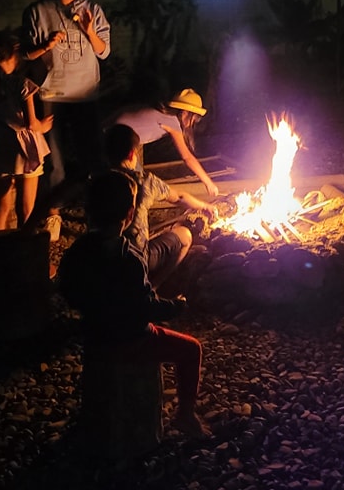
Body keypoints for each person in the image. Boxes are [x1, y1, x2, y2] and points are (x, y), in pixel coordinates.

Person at [57, 170, 211, 437]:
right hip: (131, 340)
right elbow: (145, 307)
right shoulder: (129, 256)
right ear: (130, 214)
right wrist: (176, 306)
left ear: (88, 209)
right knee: (191, 349)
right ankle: (185, 415)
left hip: (94, 335)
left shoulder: (77, 252)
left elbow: (67, 289)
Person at [21, 0, 112, 239]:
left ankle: (98, 213)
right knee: (55, 160)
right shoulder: (37, 11)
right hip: (52, 94)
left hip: (85, 95)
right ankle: (53, 214)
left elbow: (104, 51)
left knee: (93, 156)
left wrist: (88, 30)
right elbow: (26, 54)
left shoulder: (92, 9)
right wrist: (46, 45)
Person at [105, 123, 217, 290]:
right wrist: (205, 206)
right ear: (131, 154)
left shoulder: (97, 179)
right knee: (185, 235)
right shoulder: (145, 181)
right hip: (136, 259)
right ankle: (153, 286)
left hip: (103, 257)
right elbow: (179, 197)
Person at [0, 30, 54, 231]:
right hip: (25, 150)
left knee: (1, 205)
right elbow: (31, 124)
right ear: (8, 57)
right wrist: (45, 125)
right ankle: (24, 251)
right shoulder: (21, 84)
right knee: (27, 208)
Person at [110, 88, 220, 198]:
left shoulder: (161, 113)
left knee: (139, 178)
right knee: (140, 184)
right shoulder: (171, 121)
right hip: (115, 141)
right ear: (185, 113)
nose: (195, 122)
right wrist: (208, 183)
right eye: (195, 117)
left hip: (114, 137)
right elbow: (187, 157)